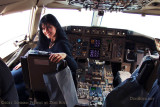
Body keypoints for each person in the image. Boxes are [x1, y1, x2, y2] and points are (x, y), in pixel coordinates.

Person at [11, 14, 78, 102]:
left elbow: (74, 66)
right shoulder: (46, 41)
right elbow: (34, 51)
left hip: (48, 77)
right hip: (38, 71)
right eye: (43, 28)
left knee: (16, 83)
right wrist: (24, 61)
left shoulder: (61, 44)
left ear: (56, 26)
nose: (46, 31)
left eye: (49, 27)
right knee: (13, 76)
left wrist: (64, 55)